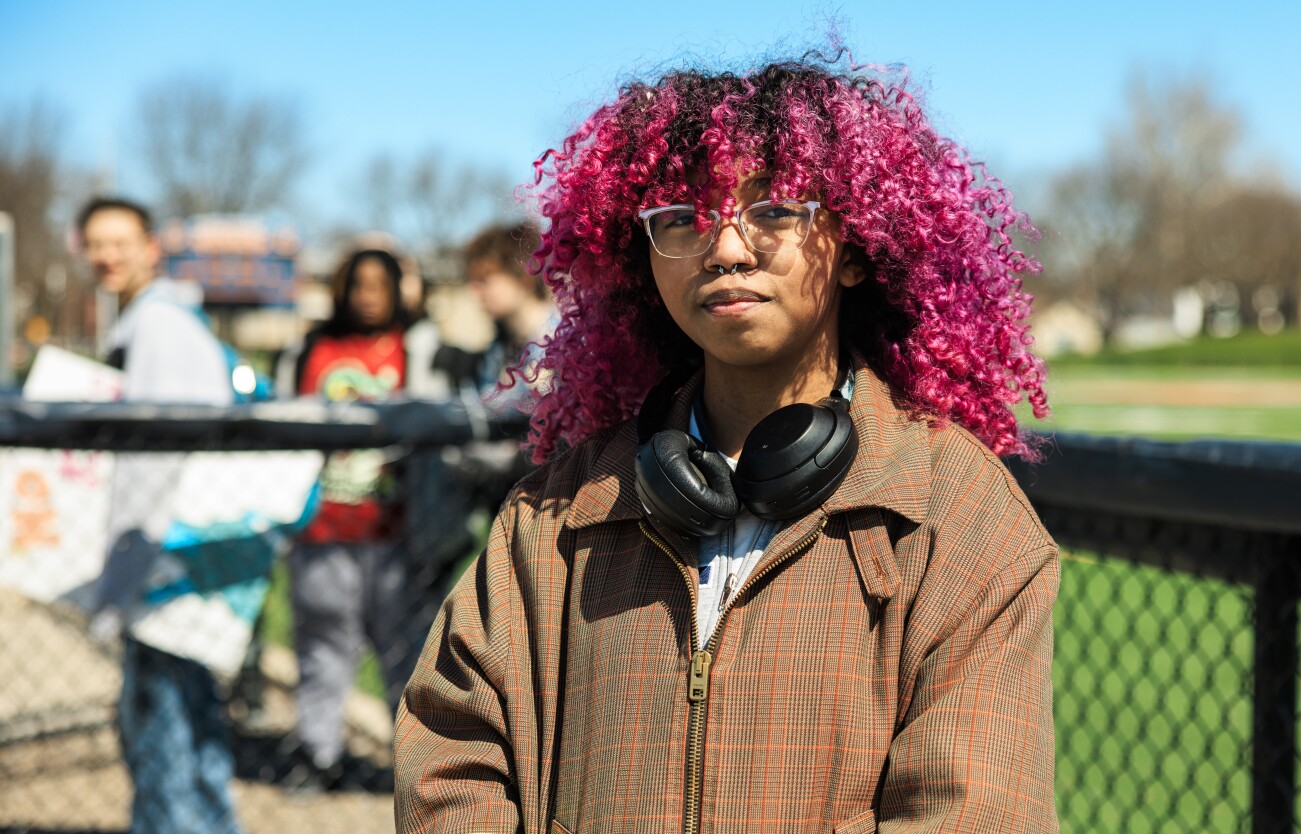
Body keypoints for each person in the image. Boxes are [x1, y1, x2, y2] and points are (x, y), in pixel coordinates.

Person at [396, 53, 1060, 832]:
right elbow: (450, 755)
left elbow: (973, 815)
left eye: (774, 210)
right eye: (681, 218)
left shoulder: (958, 513)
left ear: (851, 246)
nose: (725, 248)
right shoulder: (558, 508)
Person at [80, 197, 245, 834]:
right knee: (191, 721)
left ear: (151, 246)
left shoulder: (157, 327)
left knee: (161, 730)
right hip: (184, 549)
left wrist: (125, 570)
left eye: (119, 241)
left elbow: (154, 458)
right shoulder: (165, 320)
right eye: (96, 242)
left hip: (163, 552)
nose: (106, 255)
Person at [274, 247, 463, 792]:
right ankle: (318, 753)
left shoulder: (420, 347)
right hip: (322, 530)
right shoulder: (310, 347)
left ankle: (413, 767)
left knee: (407, 658)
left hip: (399, 537)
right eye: (359, 284)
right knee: (321, 650)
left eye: (381, 284)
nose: (369, 295)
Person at [440, 221, 559, 509]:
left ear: (523, 277)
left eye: (485, 279)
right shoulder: (498, 348)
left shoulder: (562, 342)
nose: (475, 290)